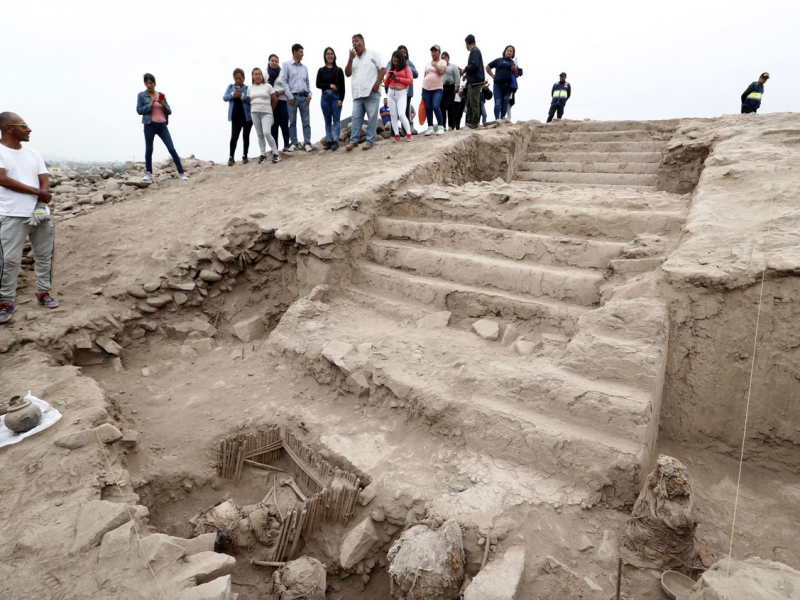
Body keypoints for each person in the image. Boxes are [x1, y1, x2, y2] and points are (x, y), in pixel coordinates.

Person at [0, 112, 58, 324]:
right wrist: (37, 193)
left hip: (39, 215)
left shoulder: (34, 154)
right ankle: (6, 302)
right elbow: (2, 179)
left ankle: (44, 293)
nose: (29, 129)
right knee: (9, 260)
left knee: (44, 257)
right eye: (24, 125)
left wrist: (41, 204)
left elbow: (45, 182)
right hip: (11, 214)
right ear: (9, 128)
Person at [136, 73, 187, 181]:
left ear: (155, 83)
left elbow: (169, 111)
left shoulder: (161, 95)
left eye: (151, 83)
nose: (149, 85)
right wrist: (150, 105)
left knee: (171, 148)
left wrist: (163, 104)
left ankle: (182, 173)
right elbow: (139, 110)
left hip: (162, 126)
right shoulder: (141, 95)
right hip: (149, 125)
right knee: (149, 149)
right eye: (146, 83)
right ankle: (149, 172)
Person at [345, 33, 385, 151]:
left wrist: (377, 85)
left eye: (356, 41)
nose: (354, 44)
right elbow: (347, 73)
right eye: (353, 42)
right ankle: (354, 141)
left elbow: (382, 69)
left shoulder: (373, 53)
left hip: (371, 91)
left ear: (363, 42)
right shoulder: (353, 58)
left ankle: (369, 141)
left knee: (372, 117)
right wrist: (350, 58)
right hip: (357, 93)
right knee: (356, 117)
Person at [283, 44, 313, 152]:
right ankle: (294, 143)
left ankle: (307, 143)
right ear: (295, 52)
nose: (303, 54)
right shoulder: (286, 65)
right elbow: (284, 81)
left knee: (306, 122)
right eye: (301, 52)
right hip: (292, 97)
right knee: (292, 122)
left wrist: (310, 95)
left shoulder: (304, 68)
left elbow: (308, 83)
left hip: (304, 97)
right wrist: (290, 96)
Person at [248, 68, 280, 164]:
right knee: (260, 134)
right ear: (252, 76)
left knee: (267, 132)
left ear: (262, 76)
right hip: (254, 112)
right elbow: (250, 100)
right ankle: (263, 154)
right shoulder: (250, 88)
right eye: (255, 74)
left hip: (266, 112)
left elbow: (274, 100)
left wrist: (269, 109)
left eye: (259, 74)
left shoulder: (268, 86)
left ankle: (276, 153)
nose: (257, 76)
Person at [316, 48, 346, 150]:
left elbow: (342, 87)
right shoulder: (321, 70)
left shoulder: (339, 70)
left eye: (332, 54)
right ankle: (329, 141)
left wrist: (341, 99)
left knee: (336, 120)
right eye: (328, 54)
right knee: (327, 121)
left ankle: (336, 141)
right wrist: (329, 85)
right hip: (325, 97)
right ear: (325, 56)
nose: (330, 56)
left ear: (334, 55)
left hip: (335, 97)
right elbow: (318, 84)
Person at [223, 68, 252, 166]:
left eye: (240, 78)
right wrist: (232, 94)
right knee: (234, 136)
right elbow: (224, 98)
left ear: (243, 78)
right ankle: (231, 157)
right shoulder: (230, 87)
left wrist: (242, 96)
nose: (238, 80)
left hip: (247, 117)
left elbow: (250, 100)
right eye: (236, 78)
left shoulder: (248, 88)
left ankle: (245, 156)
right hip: (235, 116)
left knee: (245, 136)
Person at [384, 50, 414, 142]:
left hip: (401, 94)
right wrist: (388, 78)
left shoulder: (406, 68)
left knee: (401, 114)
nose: (395, 63)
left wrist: (399, 79)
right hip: (391, 93)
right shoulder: (390, 69)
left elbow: (410, 81)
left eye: (397, 61)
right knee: (393, 115)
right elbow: (385, 83)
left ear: (401, 60)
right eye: (394, 61)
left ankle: (409, 133)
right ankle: (396, 135)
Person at [388, 45, 418, 129]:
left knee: (404, 112)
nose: (403, 54)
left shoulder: (409, 63)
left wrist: (406, 68)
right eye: (401, 52)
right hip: (393, 92)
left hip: (407, 92)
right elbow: (387, 71)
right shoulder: (391, 62)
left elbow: (416, 74)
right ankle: (394, 133)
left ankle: (406, 132)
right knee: (394, 113)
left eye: (404, 52)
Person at [486, 45, 519, 120]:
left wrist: (515, 70)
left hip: (508, 87)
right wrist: (492, 75)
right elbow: (487, 67)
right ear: (505, 52)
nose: (509, 52)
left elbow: (517, 75)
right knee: (497, 103)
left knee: (505, 104)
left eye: (511, 51)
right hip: (498, 86)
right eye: (508, 50)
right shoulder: (499, 60)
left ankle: (502, 119)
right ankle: (497, 119)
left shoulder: (513, 63)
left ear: (513, 54)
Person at [422, 45, 447, 136]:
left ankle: (441, 126)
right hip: (426, 88)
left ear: (439, 52)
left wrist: (435, 65)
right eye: (432, 51)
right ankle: (430, 127)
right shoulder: (428, 64)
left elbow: (441, 72)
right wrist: (422, 90)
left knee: (436, 106)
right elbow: (425, 75)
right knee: (428, 108)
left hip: (437, 89)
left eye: (435, 51)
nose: (433, 52)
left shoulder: (442, 62)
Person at [268, 55, 291, 152]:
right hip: (270, 102)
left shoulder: (283, 73)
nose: (274, 62)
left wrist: (278, 91)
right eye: (272, 61)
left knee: (284, 123)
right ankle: (275, 148)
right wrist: (271, 93)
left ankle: (286, 144)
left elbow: (288, 85)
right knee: (273, 125)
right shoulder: (265, 73)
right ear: (269, 61)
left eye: (276, 61)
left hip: (282, 100)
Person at [463, 35, 485, 129]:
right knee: (469, 103)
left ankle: (475, 122)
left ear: (467, 43)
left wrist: (465, 69)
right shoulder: (475, 51)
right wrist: (466, 74)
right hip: (472, 81)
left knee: (474, 102)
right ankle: (470, 121)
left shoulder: (475, 51)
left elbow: (474, 65)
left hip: (475, 81)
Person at [441, 52, 461, 130]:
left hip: (450, 87)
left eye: (445, 57)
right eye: (442, 58)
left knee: (450, 105)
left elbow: (457, 76)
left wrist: (457, 86)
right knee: (442, 106)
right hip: (442, 87)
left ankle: (451, 125)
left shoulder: (453, 66)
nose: (443, 59)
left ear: (448, 58)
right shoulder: (440, 67)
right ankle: (442, 125)